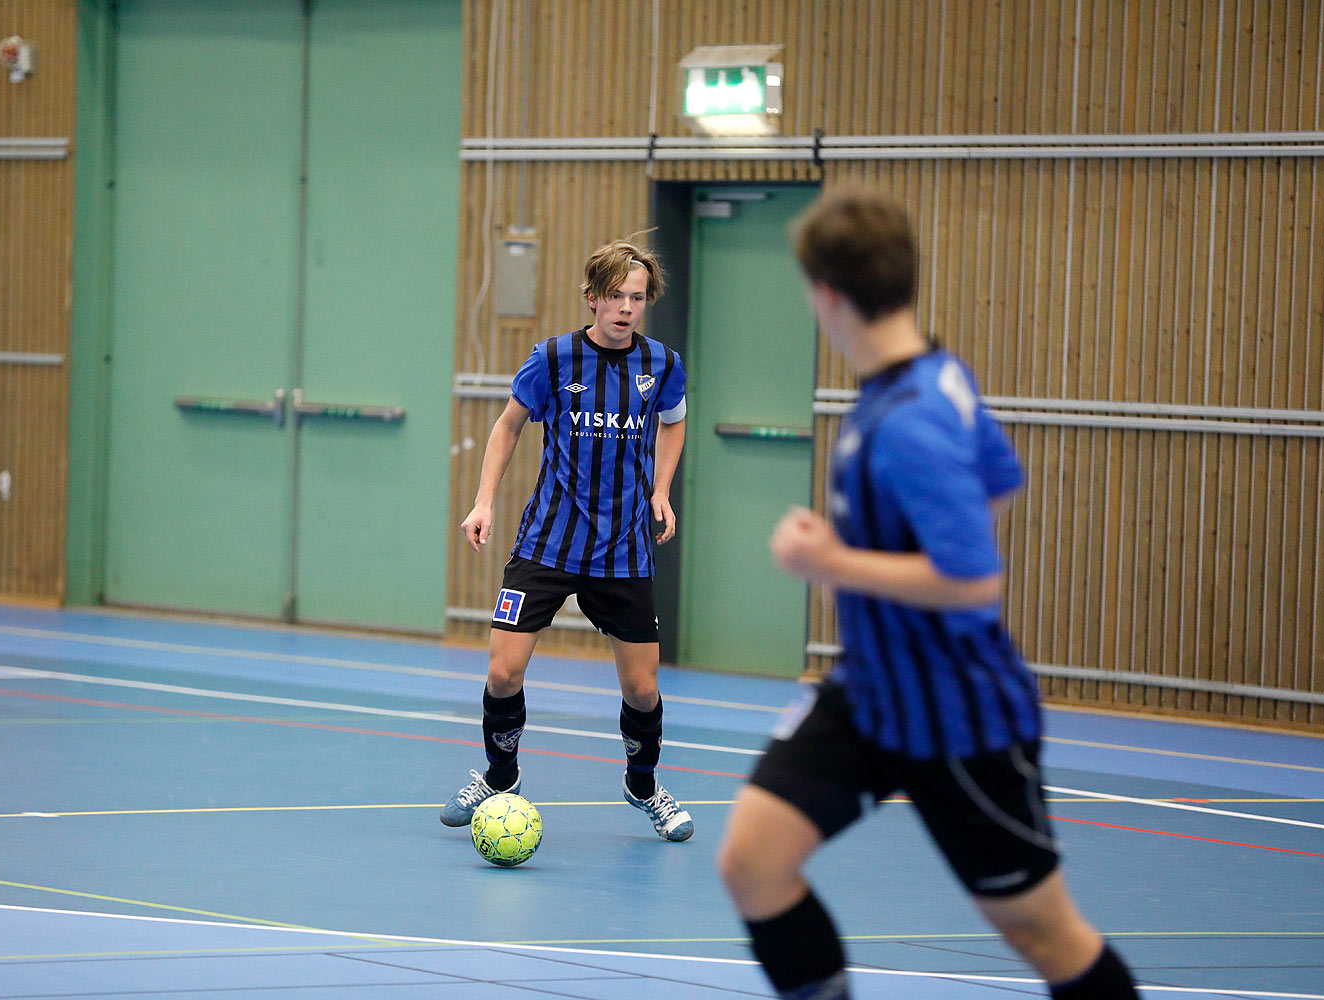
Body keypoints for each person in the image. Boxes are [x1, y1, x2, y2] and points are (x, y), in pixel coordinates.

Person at [717, 189, 1140, 999]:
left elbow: (975, 576)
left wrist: (835, 561)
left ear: (827, 295)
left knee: (1042, 932)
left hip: (957, 713)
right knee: (752, 862)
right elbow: (998, 484)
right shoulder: (938, 374)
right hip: (871, 692)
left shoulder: (909, 421)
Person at [441, 236, 693, 843]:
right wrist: (483, 502)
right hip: (548, 544)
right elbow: (506, 429)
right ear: (591, 299)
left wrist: (660, 490)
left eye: (636, 297)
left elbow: (675, 423)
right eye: (614, 296)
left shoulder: (662, 364)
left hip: (623, 549)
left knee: (642, 687)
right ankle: (501, 778)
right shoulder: (551, 360)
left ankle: (642, 785)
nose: (625, 307)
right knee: (503, 673)